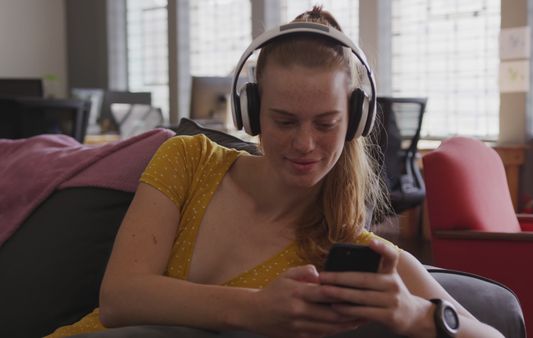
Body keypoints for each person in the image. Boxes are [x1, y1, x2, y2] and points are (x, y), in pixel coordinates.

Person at [49, 6, 504, 338]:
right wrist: (256, 308)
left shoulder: (344, 246)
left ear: (355, 122)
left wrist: (412, 314)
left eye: (326, 124)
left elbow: (493, 335)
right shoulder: (187, 160)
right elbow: (120, 297)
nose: (304, 144)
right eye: (284, 121)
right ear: (251, 114)